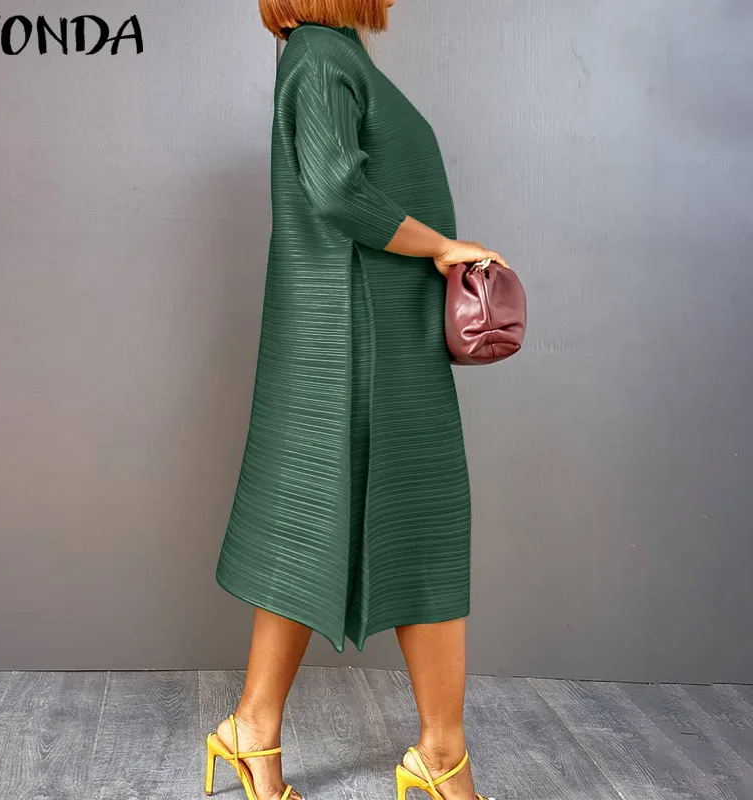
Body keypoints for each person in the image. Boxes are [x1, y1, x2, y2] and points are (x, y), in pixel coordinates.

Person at [206, 2, 509, 799]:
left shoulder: (331, 54)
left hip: (371, 334)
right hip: (356, 340)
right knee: (414, 520)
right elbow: (336, 189)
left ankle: (253, 729)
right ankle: (439, 757)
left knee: (316, 520)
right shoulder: (320, 57)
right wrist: (444, 246)